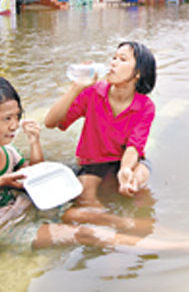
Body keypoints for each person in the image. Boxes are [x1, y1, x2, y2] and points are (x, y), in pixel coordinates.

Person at [0, 74, 189, 252]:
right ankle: (188, 247)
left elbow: (32, 176)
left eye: (17, 117)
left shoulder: (5, 151)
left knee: (103, 216)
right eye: (6, 119)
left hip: (28, 212)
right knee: (86, 233)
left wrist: (34, 143)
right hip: (3, 230)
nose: (14, 125)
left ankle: (184, 236)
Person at [44, 41, 157, 208]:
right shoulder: (93, 92)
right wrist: (76, 88)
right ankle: (113, 222)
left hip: (124, 159)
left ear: (138, 73)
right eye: (114, 57)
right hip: (92, 162)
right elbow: (51, 122)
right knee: (84, 199)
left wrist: (125, 170)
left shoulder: (145, 106)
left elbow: (134, 147)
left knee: (139, 177)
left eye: (122, 59)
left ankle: (133, 212)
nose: (113, 62)